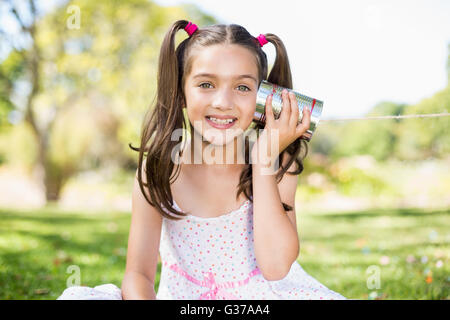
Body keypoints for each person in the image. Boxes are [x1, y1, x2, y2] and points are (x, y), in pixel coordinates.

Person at [57, 20, 346, 300]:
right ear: (181, 91)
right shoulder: (159, 168)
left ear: (264, 100)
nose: (223, 101)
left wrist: (264, 160)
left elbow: (275, 267)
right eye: (206, 84)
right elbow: (138, 274)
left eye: (242, 87)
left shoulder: (279, 165)